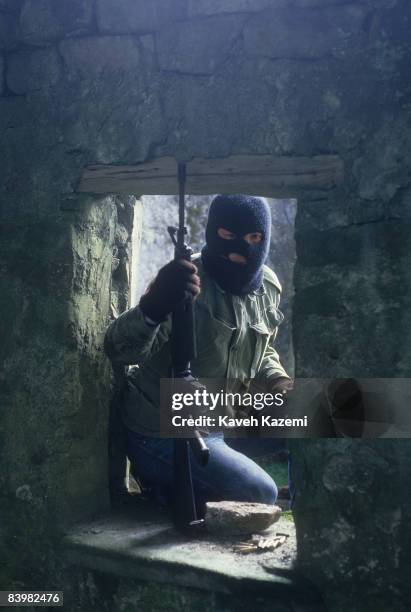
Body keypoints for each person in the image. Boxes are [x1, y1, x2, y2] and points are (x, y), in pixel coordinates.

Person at [104, 194, 293, 514]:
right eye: (228, 235)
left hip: (227, 417)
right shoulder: (184, 282)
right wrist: (153, 306)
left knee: (321, 414)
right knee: (259, 492)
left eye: (254, 237)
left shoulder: (268, 286)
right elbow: (119, 351)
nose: (240, 249)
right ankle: (169, 489)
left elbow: (263, 348)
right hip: (163, 432)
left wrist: (278, 381)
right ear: (212, 232)